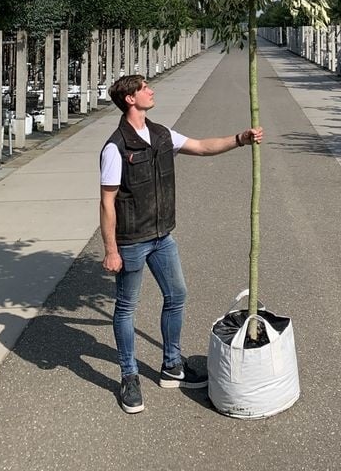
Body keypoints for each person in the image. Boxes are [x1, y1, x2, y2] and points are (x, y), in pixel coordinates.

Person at [100, 73, 263, 414]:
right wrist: (112, 250)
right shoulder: (116, 147)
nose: (150, 90)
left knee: (177, 295)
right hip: (131, 240)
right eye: (144, 88)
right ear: (130, 99)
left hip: (162, 236)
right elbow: (107, 201)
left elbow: (202, 147)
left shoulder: (161, 135)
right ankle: (129, 376)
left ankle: (171, 364)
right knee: (126, 308)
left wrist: (240, 139)